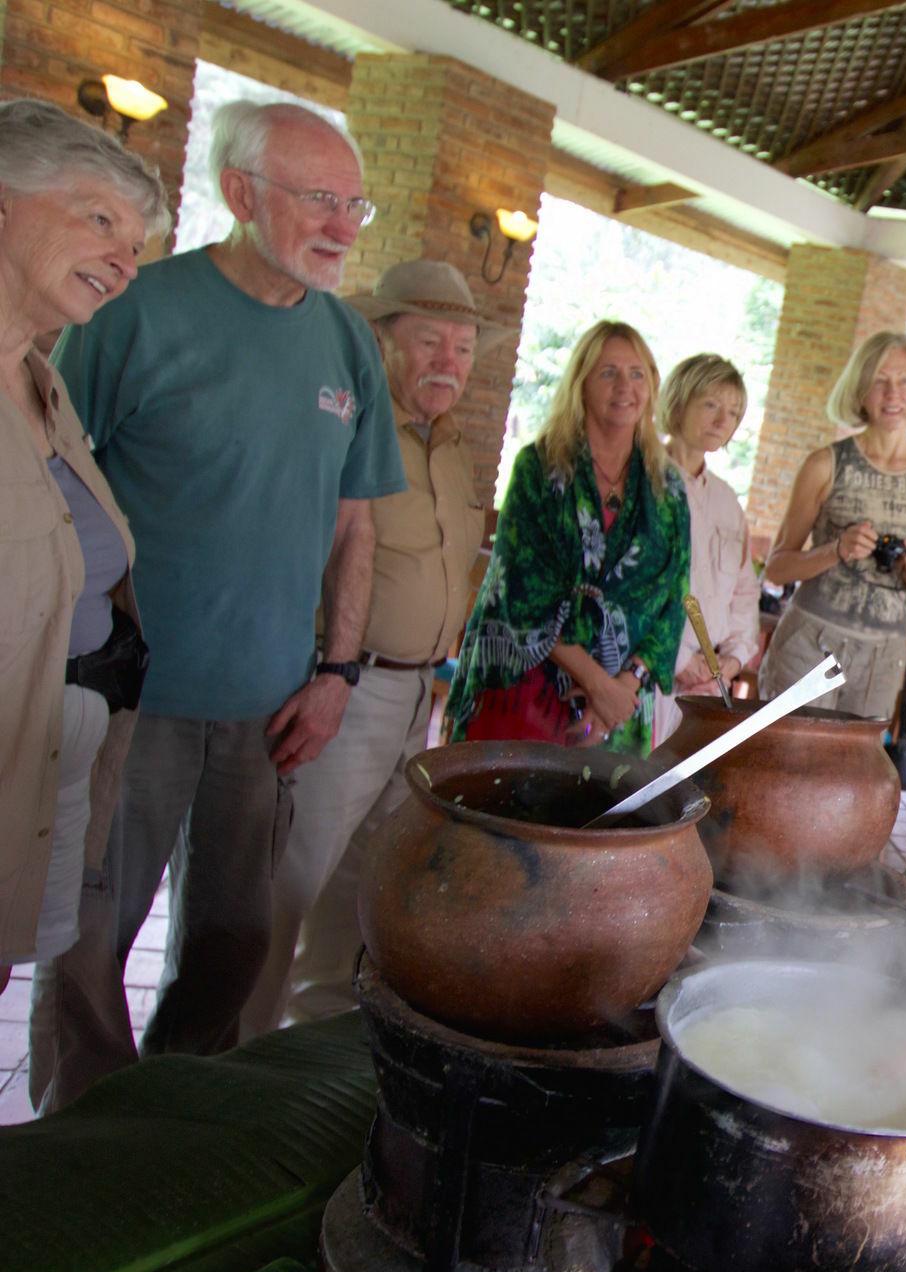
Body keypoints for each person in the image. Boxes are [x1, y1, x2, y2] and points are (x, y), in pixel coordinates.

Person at [32, 100, 404, 1111]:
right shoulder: (134, 312)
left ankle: (172, 1120)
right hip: (131, 699)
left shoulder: (346, 344)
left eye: (353, 204)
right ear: (242, 195)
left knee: (233, 941)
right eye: (318, 199)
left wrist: (334, 675)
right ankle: (80, 1140)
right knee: (89, 939)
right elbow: (54, 490)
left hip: (271, 704)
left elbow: (354, 529)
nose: (341, 224)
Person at [239, 260, 509, 1036]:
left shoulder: (453, 446)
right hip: (343, 688)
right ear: (379, 339)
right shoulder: (346, 428)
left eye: (462, 348)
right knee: (289, 879)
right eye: (429, 342)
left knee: (362, 890)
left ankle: (305, 1051)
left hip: (419, 694)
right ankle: (233, 1064)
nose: (448, 363)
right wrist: (328, 667)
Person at [0, 100, 169, 996]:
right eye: (99, 219)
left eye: (135, 244)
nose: (123, 259)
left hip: (45, 753)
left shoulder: (43, 381)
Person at [444, 321, 688, 755]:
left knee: (596, 819)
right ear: (581, 383)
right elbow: (519, 590)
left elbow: (674, 599)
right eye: (608, 372)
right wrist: (598, 685)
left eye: (637, 373)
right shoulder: (539, 467)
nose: (624, 387)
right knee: (499, 817)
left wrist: (622, 690)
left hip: (620, 707)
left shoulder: (666, 486)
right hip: (526, 687)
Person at [761, 332, 906, 721]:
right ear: (860, 389)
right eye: (879, 380)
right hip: (810, 643)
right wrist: (835, 550)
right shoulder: (825, 464)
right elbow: (776, 568)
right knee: (788, 771)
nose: (892, 393)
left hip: (883, 659)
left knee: (851, 779)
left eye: (904, 381)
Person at [656, 353, 759, 745]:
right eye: (711, 405)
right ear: (678, 403)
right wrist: (680, 660)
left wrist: (731, 658)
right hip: (653, 673)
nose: (722, 421)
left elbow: (745, 591)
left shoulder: (726, 500)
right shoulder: (648, 482)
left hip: (710, 681)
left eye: (733, 412)